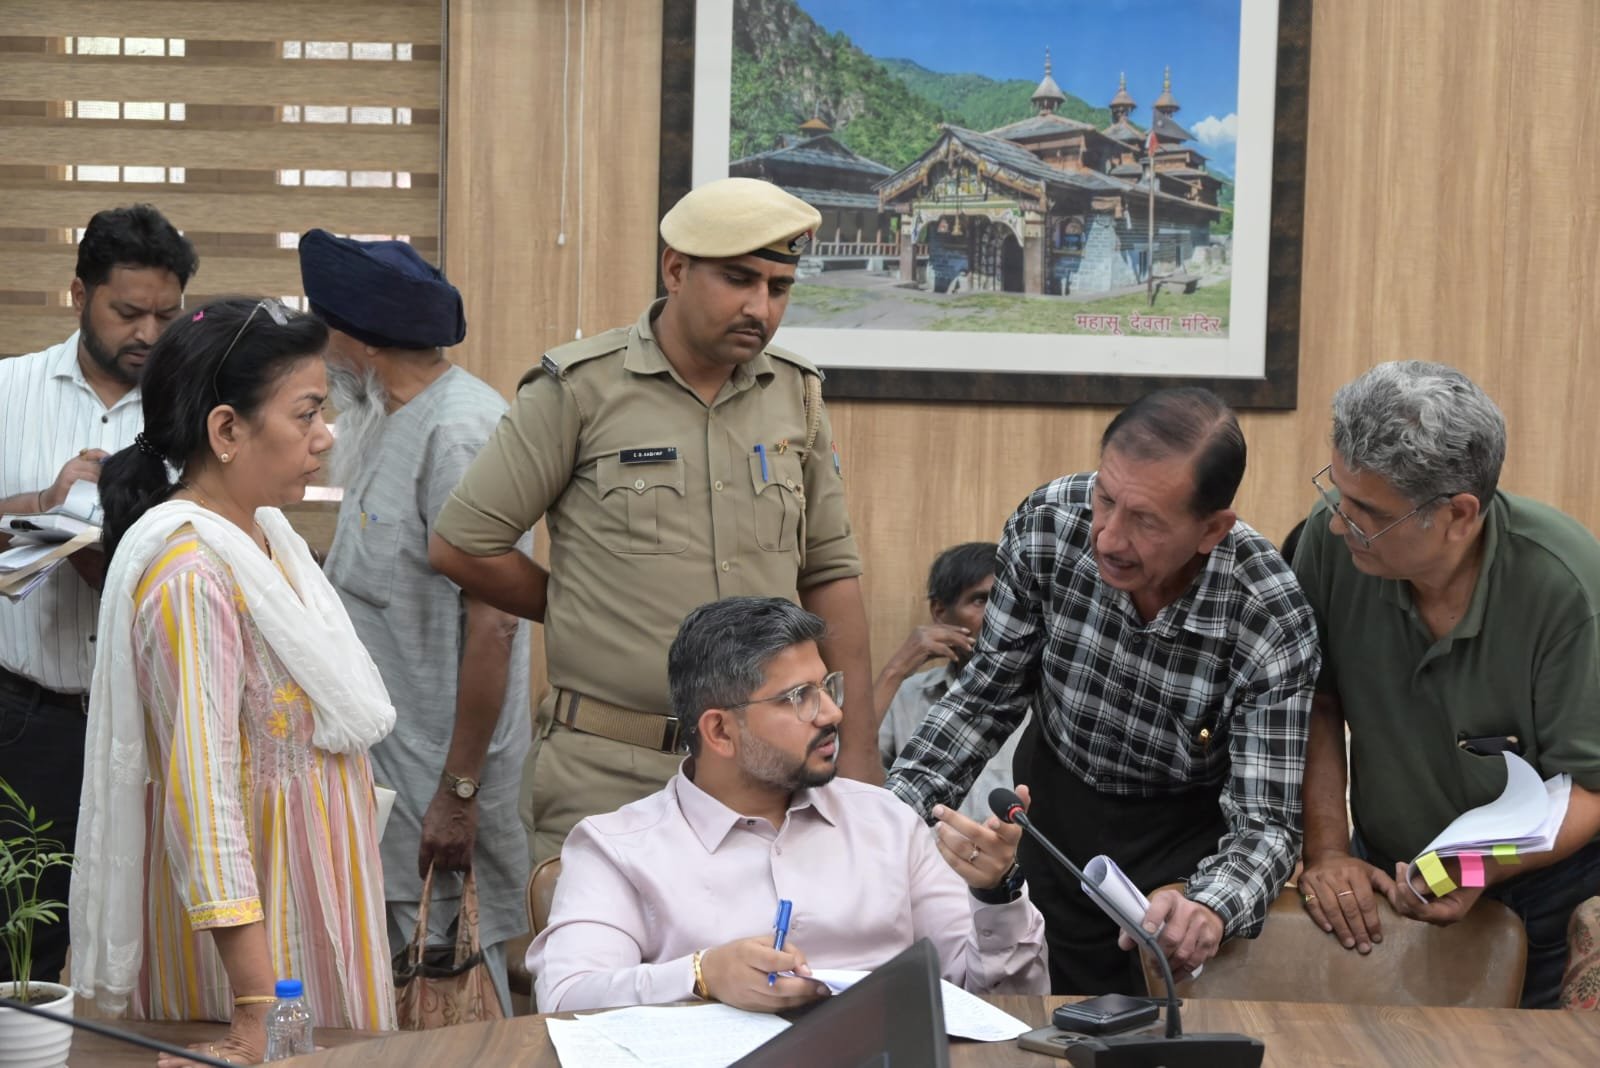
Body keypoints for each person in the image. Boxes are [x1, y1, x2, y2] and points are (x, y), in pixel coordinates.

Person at [428, 177, 876, 867]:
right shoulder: (580, 389)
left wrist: (860, 769)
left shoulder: (796, 394)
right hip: (611, 770)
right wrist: (578, 605)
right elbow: (463, 545)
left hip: (764, 768)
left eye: (779, 287)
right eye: (739, 279)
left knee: (771, 941)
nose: (760, 308)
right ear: (675, 269)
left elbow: (830, 575)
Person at [887, 387, 1321, 995]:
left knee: (1157, 1024)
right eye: (1106, 499)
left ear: (1211, 529)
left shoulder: (1268, 615)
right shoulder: (1050, 524)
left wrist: (1210, 905)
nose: (1110, 539)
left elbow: (1266, 823)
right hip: (1051, 810)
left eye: (1145, 520)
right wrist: (883, 830)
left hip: (1179, 850)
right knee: (1035, 1009)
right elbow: (983, 700)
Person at [72, 298, 398, 1065]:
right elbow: (203, 795)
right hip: (255, 948)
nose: (325, 435)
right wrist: (255, 1011)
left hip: (317, 892)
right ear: (226, 430)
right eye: (307, 413)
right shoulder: (194, 578)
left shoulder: (265, 536)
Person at [527, 596, 1047, 1013]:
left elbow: (1005, 998)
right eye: (798, 697)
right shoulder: (618, 848)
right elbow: (566, 999)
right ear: (719, 731)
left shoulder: (888, 822)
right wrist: (701, 976)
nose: (832, 713)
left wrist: (995, 895)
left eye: (826, 687)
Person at [1293, 361, 1600, 1010]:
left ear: (1459, 515)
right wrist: (1328, 851)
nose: (1339, 524)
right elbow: (1318, 701)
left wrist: (1476, 867)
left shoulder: (1564, 587)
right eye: (1338, 494)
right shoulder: (1332, 546)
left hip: (1545, 891)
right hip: (1389, 870)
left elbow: (1592, 789)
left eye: (1368, 513)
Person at [300, 228, 531, 1015]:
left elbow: (496, 625)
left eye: (324, 326)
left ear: (360, 339)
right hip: (385, 781)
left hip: (438, 790)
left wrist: (458, 794)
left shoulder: (461, 430)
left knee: (453, 1010)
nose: (319, 348)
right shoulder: (382, 417)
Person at [0, 204, 196, 984]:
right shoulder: (7, 390)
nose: (148, 333)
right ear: (78, 293)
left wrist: (125, 559)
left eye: (166, 316)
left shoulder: (200, 414)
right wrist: (41, 508)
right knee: (22, 937)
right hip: (29, 718)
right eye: (128, 312)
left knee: (155, 945)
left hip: (156, 723)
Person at [875, 541, 1029, 822]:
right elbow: (846, 779)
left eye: (1005, 601)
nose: (997, 615)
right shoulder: (908, 695)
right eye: (980, 600)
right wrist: (895, 671)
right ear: (939, 612)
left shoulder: (1043, 699)